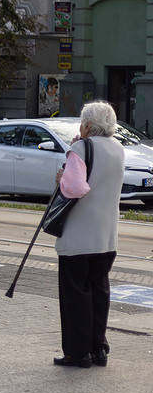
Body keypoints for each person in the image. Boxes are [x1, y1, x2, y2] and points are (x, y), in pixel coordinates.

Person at [51, 101, 124, 368]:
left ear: (88, 125)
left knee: (75, 296)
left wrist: (61, 178)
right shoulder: (118, 150)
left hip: (79, 237)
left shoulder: (80, 148)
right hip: (106, 237)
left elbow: (74, 188)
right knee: (99, 291)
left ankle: (77, 353)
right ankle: (98, 348)